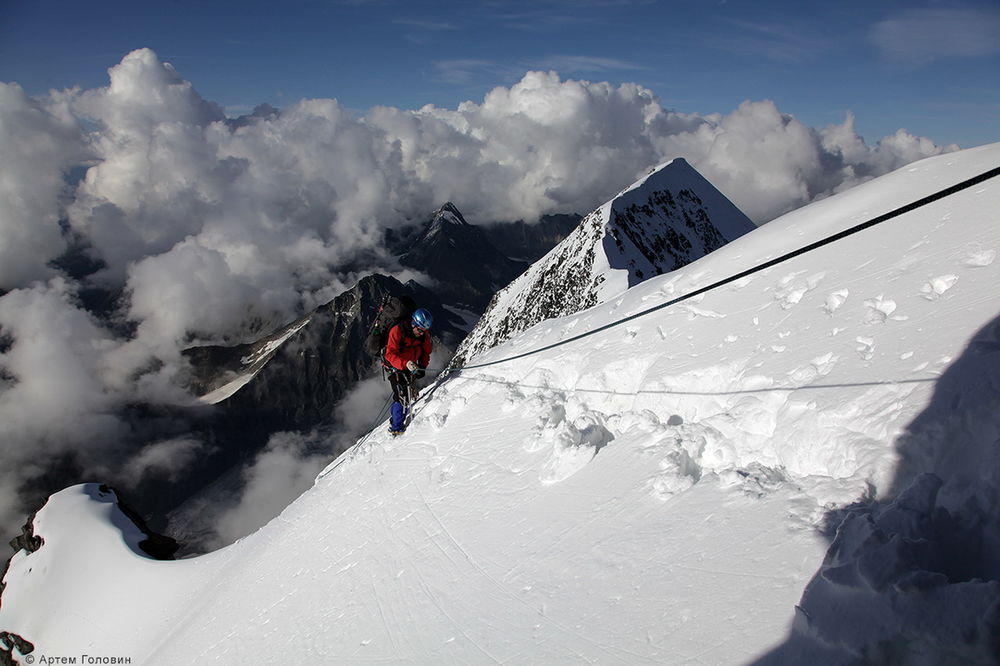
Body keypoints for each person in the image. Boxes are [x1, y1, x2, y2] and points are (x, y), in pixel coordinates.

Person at [383, 307, 433, 435]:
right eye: (420, 330)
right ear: (413, 324)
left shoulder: (423, 334)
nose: (422, 333)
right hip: (395, 368)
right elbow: (389, 354)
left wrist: (422, 366)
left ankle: (395, 419)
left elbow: (425, 352)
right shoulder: (397, 331)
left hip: (411, 367)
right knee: (402, 397)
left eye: (424, 331)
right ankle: (396, 428)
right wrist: (405, 363)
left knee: (403, 395)